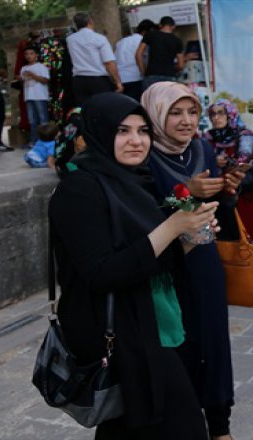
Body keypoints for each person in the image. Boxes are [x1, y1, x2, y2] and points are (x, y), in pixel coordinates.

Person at [49, 92, 216, 438]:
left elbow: (150, 260)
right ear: (98, 133)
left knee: (131, 427)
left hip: (148, 323)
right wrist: (172, 227)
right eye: (122, 131)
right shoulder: (79, 190)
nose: (136, 141)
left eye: (143, 131)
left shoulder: (134, 182)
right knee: (180, 425)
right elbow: (102, 273)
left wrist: (189, 236)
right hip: (118, 333)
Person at [141, 82, 244, 440]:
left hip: (203, 259)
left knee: (213, 340)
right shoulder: (143, 154)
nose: (186, 120)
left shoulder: (201, 148)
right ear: (155, 114)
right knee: (177, 344)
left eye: (192, 112)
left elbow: (215, 210)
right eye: (175, 112)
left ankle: (220, 426)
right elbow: (142, 213)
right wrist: (186, 192)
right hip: (165, 266)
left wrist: (227, 192)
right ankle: (184, 423)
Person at [204, 99, 253, 246]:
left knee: (250, 240)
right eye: (212, 114)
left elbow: (243, 162)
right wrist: (213, 161)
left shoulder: (244, 135)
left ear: (231, 114)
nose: (216, 118)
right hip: (216, 198)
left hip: (242, 197)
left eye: (221, 113)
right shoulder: (208, 137)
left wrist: (223, 163)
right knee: (223, 243)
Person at [66, 13, 123, 106]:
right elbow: (109, 62)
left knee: (85, 108)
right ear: (90, 22)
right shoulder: (99, 38)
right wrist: (118, 81)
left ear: (76, 25)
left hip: (79, 80)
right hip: (98, 79)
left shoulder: (70, 40)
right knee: (103, 107)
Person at [137, 16, 183, 92]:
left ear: (160, 25)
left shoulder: (150, 35)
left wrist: (143, 71)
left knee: (150, 99)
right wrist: (172, 68)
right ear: (173, 26)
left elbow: (138, 54)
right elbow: (181, 65)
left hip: (151, 75)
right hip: (170, 77)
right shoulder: (177, 41)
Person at [17, 46, 51, 147]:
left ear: (36, 55)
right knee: (32, 121)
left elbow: (45, 80)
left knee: (43, 120)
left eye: (31, 53)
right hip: (29, 96)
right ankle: (34, 141)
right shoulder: (23, 68)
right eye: (26, 54)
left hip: (40, 96)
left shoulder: (41, 67)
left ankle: (46, 141)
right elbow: (23, 81)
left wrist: (32, 75)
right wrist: (20, 79)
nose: (29, 56)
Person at [115, 19, 154, 102]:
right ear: (146, 32)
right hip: (135, 78)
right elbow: (144, 60)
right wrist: (145, 74)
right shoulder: (143, 42)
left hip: (120, 79)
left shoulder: (121, 41)